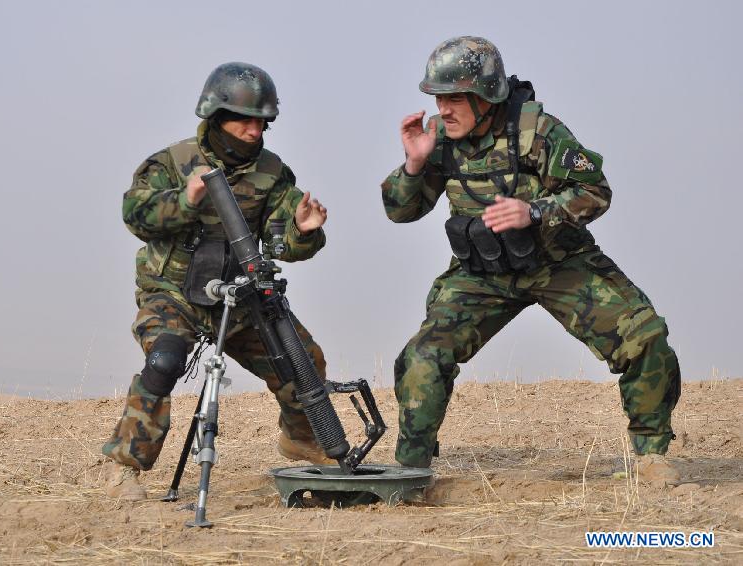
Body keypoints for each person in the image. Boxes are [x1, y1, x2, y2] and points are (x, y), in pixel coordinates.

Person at [381, 36, 681, 484]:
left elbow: (595, 192)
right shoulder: (439, 140)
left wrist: (536, 211)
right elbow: (400, 211)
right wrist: (415, 164)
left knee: (644, 337)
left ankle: (651, 455)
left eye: (455, 98)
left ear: (486, 96)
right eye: (438, 98)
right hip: (481, 273)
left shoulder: (536, 130)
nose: (443, 109)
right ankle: (410, 467)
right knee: (424, 356)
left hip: (558, 263)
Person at [103, 62, 332, 499]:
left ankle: (300, 439)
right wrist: (184, 200)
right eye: (243, 119)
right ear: (216, 115)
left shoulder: (272, 173)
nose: (254, 129)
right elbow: (136, 216)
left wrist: (303, 231)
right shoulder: (173, 163)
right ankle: (123, 468)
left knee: (304, 360)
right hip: (173, 293)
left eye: (261, 121)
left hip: (241, 295)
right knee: (164, 360)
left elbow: (281, 243)